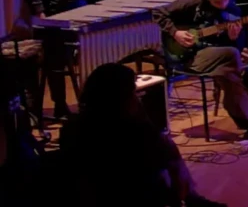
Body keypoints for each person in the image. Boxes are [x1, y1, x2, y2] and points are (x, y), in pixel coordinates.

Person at [58, 63, 225, 207]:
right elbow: (167, 174)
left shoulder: (69, 128)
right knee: (171, 160)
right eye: (133, 92)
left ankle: (192, 199)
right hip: (137, 198)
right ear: (124, 97)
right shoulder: (137, 132)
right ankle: (192, 199)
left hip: (89, 199)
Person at [152, 0, 248, 140]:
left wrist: (234, 39)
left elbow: (234, 46)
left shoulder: (233, 11)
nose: (223, 4)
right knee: (231, 61)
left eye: (225, 0)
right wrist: (176, 33)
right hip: (188, 55)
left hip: (216, 56)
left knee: (230, 69)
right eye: (217, 2)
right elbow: (157, 12)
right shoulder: (191, 4)